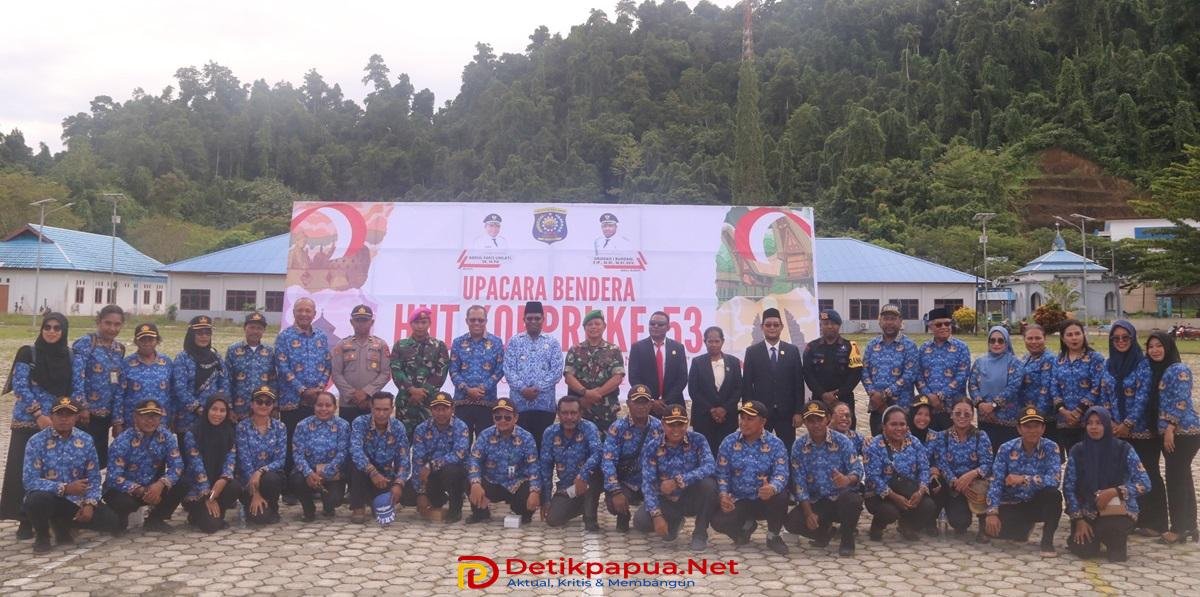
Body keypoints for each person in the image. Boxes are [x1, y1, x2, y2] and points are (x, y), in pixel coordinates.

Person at [2, 312, 71, 540]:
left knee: (48, 472)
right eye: (47, 327)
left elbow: (68, 390)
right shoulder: (27, 353)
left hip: (55, 424)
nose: (51, 331)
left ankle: (43, 517)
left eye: (57, 328)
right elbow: (21, 387)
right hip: (28, 423)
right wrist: (39, 415)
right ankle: (23, 520)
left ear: (63, 332)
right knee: (20, 471)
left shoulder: (68, 356)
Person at [21, 397, 117, 552]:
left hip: (76, 500)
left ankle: (63, 525)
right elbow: (30, 481)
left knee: (111, 522)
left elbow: (94, 478)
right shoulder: (36, 441)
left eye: (69, 415)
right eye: (59, 414)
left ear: (76, 417)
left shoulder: (86, 440)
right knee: (36, 500)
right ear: (51, 416)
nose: (64, 419)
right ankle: (42, 536)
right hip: (49, 498)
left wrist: (89, 504)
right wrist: (64, 488)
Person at [1064, 406, 1151, 562]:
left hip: (1117, 510)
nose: (1094, 427)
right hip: (1087, 511)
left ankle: (1112, 540)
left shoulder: (1123, 449)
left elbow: (1144, 482)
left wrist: (1115, 491)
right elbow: (1069, 487)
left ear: (1107, 424)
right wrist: (1078, 520)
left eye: (1099, 423)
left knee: (1115, 549)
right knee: (1085, 550)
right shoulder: (1078, 451)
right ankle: (1093, 537)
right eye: (1090, 423)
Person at [1102, 320, 1165, 537]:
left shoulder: (1142, 363)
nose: (1120, 341)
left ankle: (1156, 521)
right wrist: (1111, 423)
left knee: (1148, 473)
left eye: (1125, 337)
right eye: (1116, 338)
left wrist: (1128, 423)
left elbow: (1143, 396)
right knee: (1124, 475)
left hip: (1142, 430)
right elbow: (1105, 395)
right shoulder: (1108, 364)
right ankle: (1129, 517)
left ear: (1133, 338)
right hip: (1117, 430)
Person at [784, 402, 864, 556]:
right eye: (811, 421)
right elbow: (799, 484)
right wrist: (808, 514)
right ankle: (824, 532)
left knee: (853, 500)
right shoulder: (798, 446)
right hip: (817, 501)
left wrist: (847, 479)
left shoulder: (842, 441)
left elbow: (857, 469)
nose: (816, 425)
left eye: (819, 420)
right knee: (791, 522)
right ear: (805, 423)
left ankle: (847, 540)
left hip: (840, 499)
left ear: (827, 419)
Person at [711, 400, 791, 554]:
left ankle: (773, 536)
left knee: (781, 496)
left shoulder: (775, 444)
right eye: (742, 418)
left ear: (763, 422)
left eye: (750, 419)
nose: (744, 423)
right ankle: (743, 530)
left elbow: (782, 473)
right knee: (718, 521)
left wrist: (772, 487)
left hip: (764, 499)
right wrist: (723, 495)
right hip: (739, 499)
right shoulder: (729, 442)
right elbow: (722, 473)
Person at [636, 404, 717, 552]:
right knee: (641, 522)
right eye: (671, 424)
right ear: (662, 424)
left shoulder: (698, 440)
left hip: (691, 496)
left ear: (687, 423)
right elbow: (648, 483)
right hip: (666, 500)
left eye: (680, 424)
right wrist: (656, 515)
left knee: (710, 485)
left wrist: (679, 481)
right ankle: (674, 523)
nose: (676, 429)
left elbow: (710, 466)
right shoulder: (652, 446)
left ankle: (700, 533)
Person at [984, 407, 1062, 557]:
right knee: (994, 532)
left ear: (1043, 428)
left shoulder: (1052, 448)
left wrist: (1024, 479)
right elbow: (996, 482)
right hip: (1014, 502)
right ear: (1019, 429)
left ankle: (1047, 541)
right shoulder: (1006, 449)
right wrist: (992, 512)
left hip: (1038, 502)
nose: (1032, 431)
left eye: (1036, 426)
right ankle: (1023, 527)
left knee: (1054, 495)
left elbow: (1054, 480)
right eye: (1027, 426)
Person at [103, 399, 186, 533]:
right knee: (123, 504)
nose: (150, 421)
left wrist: (161, 484)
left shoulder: (166, 436)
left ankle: (155, 519)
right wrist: (140, 490)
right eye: (145, 416)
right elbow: (113, 477)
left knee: (184, 482)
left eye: (155, 417)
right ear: (135, 417)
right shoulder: (123, 441)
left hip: (154, 487)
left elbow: (177, 465)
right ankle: (121, 518)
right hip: (127, 491)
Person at [1149, 331, 1200, 544]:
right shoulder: (1161, 370)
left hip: (1182, 433)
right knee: (1183, 478)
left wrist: (1170, 427)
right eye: (1150, 347)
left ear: (1168, 347)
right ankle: (1190, 526)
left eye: (1159, 345)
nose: (1154, 350)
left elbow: (1180, 399)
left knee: (1175, 479)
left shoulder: (1178, 369)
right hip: (1174, 433)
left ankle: (1178, 528)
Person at [275, 297, 333, 481]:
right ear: (293, 313)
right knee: (292, 441)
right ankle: (290, 485)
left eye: (308, 311)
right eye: (300, 310)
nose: (304, 314)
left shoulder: (322, 337)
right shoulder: (284, 337)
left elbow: (327, 364)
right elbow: (282, 366)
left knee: (313, 442)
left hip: (315, 401)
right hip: (291, 400)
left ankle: (312, 482)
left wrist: (319, 389)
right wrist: (302, 390)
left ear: (314, 314)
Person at [863, 405, 936, 541]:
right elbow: (873, 478)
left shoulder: (914, 442)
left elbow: (924, 469)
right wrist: (895, 497)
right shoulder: (873, 446)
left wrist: (920, 492)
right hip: (880, 495)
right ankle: (877, 525)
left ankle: (907, 524)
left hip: (908, 490)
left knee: (928, 505)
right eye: (893, 424)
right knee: (890, 512)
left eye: (902, 424)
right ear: (884, 426)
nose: (899, 428)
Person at [466, 398, 541, 524]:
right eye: (498, 417)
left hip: (516, 483)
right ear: (493, 418)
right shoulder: (485, 435)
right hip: (492, 482)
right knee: (468, 478)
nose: (502, 421)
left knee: (530, 493)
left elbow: (533, 467)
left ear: (516, 418)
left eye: (507, 417)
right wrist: (475, 483)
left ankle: (523, 512)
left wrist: (535, 492)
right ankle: (480, 513)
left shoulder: (526, 437)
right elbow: (474, 460)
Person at [601, 385, 663, 532]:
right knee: (612, 501)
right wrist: (616, 491)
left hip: (652, 483)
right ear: (628, 403)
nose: (641, 407)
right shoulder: (617, 428)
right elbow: (608, 461)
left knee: (644, 526)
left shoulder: (659, 427)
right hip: (627, 482)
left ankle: (663, 516)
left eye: (645, 402)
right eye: (636, 402)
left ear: (651, 404)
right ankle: (623, 514)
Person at [928, 398, 992, 540]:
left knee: (987, 485)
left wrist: (971, 475)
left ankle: (983, 529)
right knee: (960, 523)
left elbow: (987, 464)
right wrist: (956, 482)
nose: (962, 417)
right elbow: (942, 463)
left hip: (974, 484)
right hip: (952, 485)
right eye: (958, 413)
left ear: (973, 416)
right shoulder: (942, 437)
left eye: (966, 414)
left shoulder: (981, 436)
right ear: (951, 415)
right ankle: (931, 521)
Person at [741, 307, 805, 448]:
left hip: (787, 414)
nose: (772, 328)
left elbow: (798, 384)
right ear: (762, 327)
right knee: (759, 448)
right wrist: (748, 414)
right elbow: (747, 385)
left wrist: (798, 412)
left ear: (781, 327)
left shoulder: (792, 351)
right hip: (761, 413)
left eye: (776, 325)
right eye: (768, 325)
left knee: (787, 448)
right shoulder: (752, 352)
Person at [72, 304, 127, 469]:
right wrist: (81, 407)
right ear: (99, 322)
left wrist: (117, 419)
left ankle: (93, 494)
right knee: (81, 459)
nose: (112, 328)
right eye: (107, 323)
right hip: (86, 415)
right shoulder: (86, 343)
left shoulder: (119, 349)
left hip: (106, 416)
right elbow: (77, 377)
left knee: (99, 460)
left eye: (117, 324)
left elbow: (118, 386)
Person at [503, 301, 563, 451]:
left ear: (543, 319)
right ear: (524, 320)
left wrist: (538, 388)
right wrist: (523, 389)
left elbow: (556, 371)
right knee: (519, 448)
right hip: (519, 406)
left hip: (544, 406)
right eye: (529, 318)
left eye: (537, 318)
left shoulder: (552, 343)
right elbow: (508, 369)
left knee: (542, 449)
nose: (533, 321)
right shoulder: (514, 342)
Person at [404, 391, 471, 522]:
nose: (440, 413)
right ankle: (438, 499)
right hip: (430, 475)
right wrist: (421, 492)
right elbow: (418, 460)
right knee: (407, 495)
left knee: (451, 472)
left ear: (452, 409)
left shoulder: (461, 426)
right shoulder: (421, 429)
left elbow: (459, 454)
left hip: (454, 472)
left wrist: (432, 465)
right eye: (436, 409)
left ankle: (455, 509)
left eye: (445, 409)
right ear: (431, 410)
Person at [540, 396, 603, 530]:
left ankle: (590, 515)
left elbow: (597, 453)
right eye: (565, 413)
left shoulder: (589, 428)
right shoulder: (550, 433)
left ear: (580, 413)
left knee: (597, 473)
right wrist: (546, 500)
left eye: (573, 413)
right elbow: (546, 468)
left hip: (587, 481)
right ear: (558, 414)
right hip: (568, 489)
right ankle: (582, 504)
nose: (569, 417)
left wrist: (583, 475)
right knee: (553, 519)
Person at [179, 393, 239, 533]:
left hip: (218, 484)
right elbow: (196, 466)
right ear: (206, 410)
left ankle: (217, 511)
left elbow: (230, 460)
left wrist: (223, 479)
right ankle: (198, 512)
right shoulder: (193, 433)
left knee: (234, 486)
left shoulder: (229, 432)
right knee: (210, 527)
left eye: (222, 410)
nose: (217, 414)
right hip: (198, 487)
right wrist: (208, 495)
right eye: (214, 409)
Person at [349, 391, 409, 524]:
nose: (381, 414)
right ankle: (358, 507)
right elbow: (355, 450)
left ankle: (374, 501)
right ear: (371, 408)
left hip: (385, 475)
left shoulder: (398, 427)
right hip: (365, 472)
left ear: (392, 409)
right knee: (355, 464)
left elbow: (404, 458)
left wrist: (399, 483)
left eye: (385, 409)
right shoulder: (360, 423)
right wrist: (372, 472)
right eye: (377, 409)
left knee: (386, 505)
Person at [289, 391, 350, 521]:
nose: (323, 409)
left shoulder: (343, 425)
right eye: (319, 405)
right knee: (297, 480)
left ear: (335, 407)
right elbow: (297, 454)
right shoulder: (302, 425)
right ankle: (308, 509)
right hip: (308, 473)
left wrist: (323, 472)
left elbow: (343, 453)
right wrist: (309, 473)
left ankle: (328, 507)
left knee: (334, 499)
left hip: (333, 473)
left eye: (328, 405)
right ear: (314, 406)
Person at [862, 304, 919, 437]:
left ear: (900, 321)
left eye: (893, 319)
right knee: (878, 447)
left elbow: (910, 374)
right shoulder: (872, 345)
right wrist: (873, 394)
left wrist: (884, 395)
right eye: (886, 318)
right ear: (880, 321)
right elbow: (864, 371)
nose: (889, 323)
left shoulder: (909, 346)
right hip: (877, 407)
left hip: (901, 408)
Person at [564, 310, 625, 433]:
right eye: (590, 324)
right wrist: (585, 393)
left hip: (607, 410)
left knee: (607, 448)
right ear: (584, 328)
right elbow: (569, 377)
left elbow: (617, 377)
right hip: (581, 410)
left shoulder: (614, 350)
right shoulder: (575, 350)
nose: (593, 327)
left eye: (597, 324)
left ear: (604, 326)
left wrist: (595, 395)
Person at [391, 307, 450, 436]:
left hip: (429, 402)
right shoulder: (400, 345)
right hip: (406, 401)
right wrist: (411, 390)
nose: (420, 326)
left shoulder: (439, 346)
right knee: (403, 441)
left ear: (429, 324)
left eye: (423, 323)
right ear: (411, 324)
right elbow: (396, 370)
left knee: (428, 440)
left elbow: (441, 372)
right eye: (416, 323)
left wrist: (422, 392)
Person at [450, 305, 505, 438]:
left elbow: (500, 370)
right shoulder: (458, 343)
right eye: (473, 320)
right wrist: (467, 389)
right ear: (466, 321)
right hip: (462, 402)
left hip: (487, 402)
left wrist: (482, 389)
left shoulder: (496, 342)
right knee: (462, 442)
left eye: (480, 320)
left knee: (486, 442)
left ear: (486, 321)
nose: (476, 323)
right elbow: (453, 370)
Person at [1051, 319, 1105, 455]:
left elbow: (1097, 386)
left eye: (1077, 333)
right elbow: (1053, 387)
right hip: (1065, 421)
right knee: (1074, 461)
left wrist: (1078, 411)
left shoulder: (1095, 358)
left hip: (1089, 421)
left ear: (1083, 335)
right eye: (1069, 335)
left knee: (1093, 461)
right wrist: (1063, 411)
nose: (1074, 338)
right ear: (1063, 338)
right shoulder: (1058, 360)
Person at [332, 305, 392, 423]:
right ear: (351, 322)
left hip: (372, 403)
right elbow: (336, 373)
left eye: (365, 320)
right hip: (348, 403)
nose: (361, 323)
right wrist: (352, 395)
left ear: (372, 322)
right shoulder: (342, 344)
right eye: (357, 320)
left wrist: (367, 393)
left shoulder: (381, 345)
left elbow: (385, 373)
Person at [688, 326, 742, 457]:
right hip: (703, 417)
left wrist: (724, 408)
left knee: (726, 453)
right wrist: (711, 410)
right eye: (710, 341)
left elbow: (738, 388)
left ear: (722, 341)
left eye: (716, 341)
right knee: (705, 454)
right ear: (704, 342)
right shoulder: (697, 362)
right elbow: (693, 390)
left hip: (727, 418)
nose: (713, 344)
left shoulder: (734, 362)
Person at [236, 387, 287, 525]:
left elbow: (280, 460)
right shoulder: (242, 428)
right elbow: (244, 461)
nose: (263, 405)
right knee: (259, 519)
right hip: (248, 480)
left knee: (271, 478)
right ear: (252, 404)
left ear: (272, 406)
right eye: (259, 401)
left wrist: (260, 471)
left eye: (268, 402)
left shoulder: (280, 427)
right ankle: (249, 503)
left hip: (269, 478)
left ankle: (273, 507)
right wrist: (256, 493)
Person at [802, 309, 863, 424]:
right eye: (826, 324)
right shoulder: (811, 347)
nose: (829, 326)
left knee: (846, 433)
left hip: (844, 399)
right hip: (819, 400)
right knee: (819, 431)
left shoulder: (850, 346)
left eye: (833, 323)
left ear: (839, 325)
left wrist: (838, 394)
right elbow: (807, 373)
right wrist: (822, 394)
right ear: (821, 326)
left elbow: (856, 374)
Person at [916, 307, 971, 431]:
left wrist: (940, 396)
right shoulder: (924, 349)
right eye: (939, 324)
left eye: (947, 323)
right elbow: (918, 374)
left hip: (954, 409)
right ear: (930, 327)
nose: (944, 327)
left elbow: (963, 375)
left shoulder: (961, 347)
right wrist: (930, 397)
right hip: (929, 409)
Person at [173, 315, 229, 434]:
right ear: (191, 335)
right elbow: (180, 388)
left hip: (214, 418)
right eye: (199, 333)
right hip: (189, 419)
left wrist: (218, 408)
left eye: (207, 333)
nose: (204, 337)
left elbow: (224, 383)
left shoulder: (216, 357)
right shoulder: (182, 358)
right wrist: (198, 408)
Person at [114, 323, 173, 436]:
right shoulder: (126, 363)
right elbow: (119, 394)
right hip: (133, 421)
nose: (146, 343)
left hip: (160, 421)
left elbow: (172, 393)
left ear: (157, 341)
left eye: (150, 339)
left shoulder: (167, 363)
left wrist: (174, 417)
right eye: (142, 339)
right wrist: (117, 422)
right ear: (136, 341)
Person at [971, 326, 1024, 450]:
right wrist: (980, 404)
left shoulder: (1014, 363)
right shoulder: (979, 362)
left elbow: (1013, 387)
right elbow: (972, 384)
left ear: (1007, 343)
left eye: (1001, 340)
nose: (996, 344)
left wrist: (994, 405)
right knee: (987, 453)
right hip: (985, 418)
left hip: (1007, 419)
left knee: (1008, 454)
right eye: (992, 340)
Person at [627, 310, 688, 415]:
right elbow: (634, 377)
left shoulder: (678, 348)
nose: (655, 326)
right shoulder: (638, 347)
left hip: (672, 405)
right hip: (646, 405)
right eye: (652, 323)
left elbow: (682, 378)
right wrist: (651, 401)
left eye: (660, 324)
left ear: (668, 327)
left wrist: (665, 401)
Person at [225, 311, 276, 422]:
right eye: (252, 327)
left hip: (262, 408)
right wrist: (228, 407)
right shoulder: (233, 350)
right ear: (245, 328)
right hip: (239, 409)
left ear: (263, 330)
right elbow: (227, 380)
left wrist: (273, 406)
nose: (255, 331)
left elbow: (273, 380)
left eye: (259, 328)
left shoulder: (269, 351)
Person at [1018, 324, 1057, 447]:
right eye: (1030, 338)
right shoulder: (1026, 357)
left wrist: (1035, 418)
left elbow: (1045, 390)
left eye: (1038, 338)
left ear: (1045, 339)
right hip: (1027, 417)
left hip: (1044, 419)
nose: (1034, 342)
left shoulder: (1049, 359)